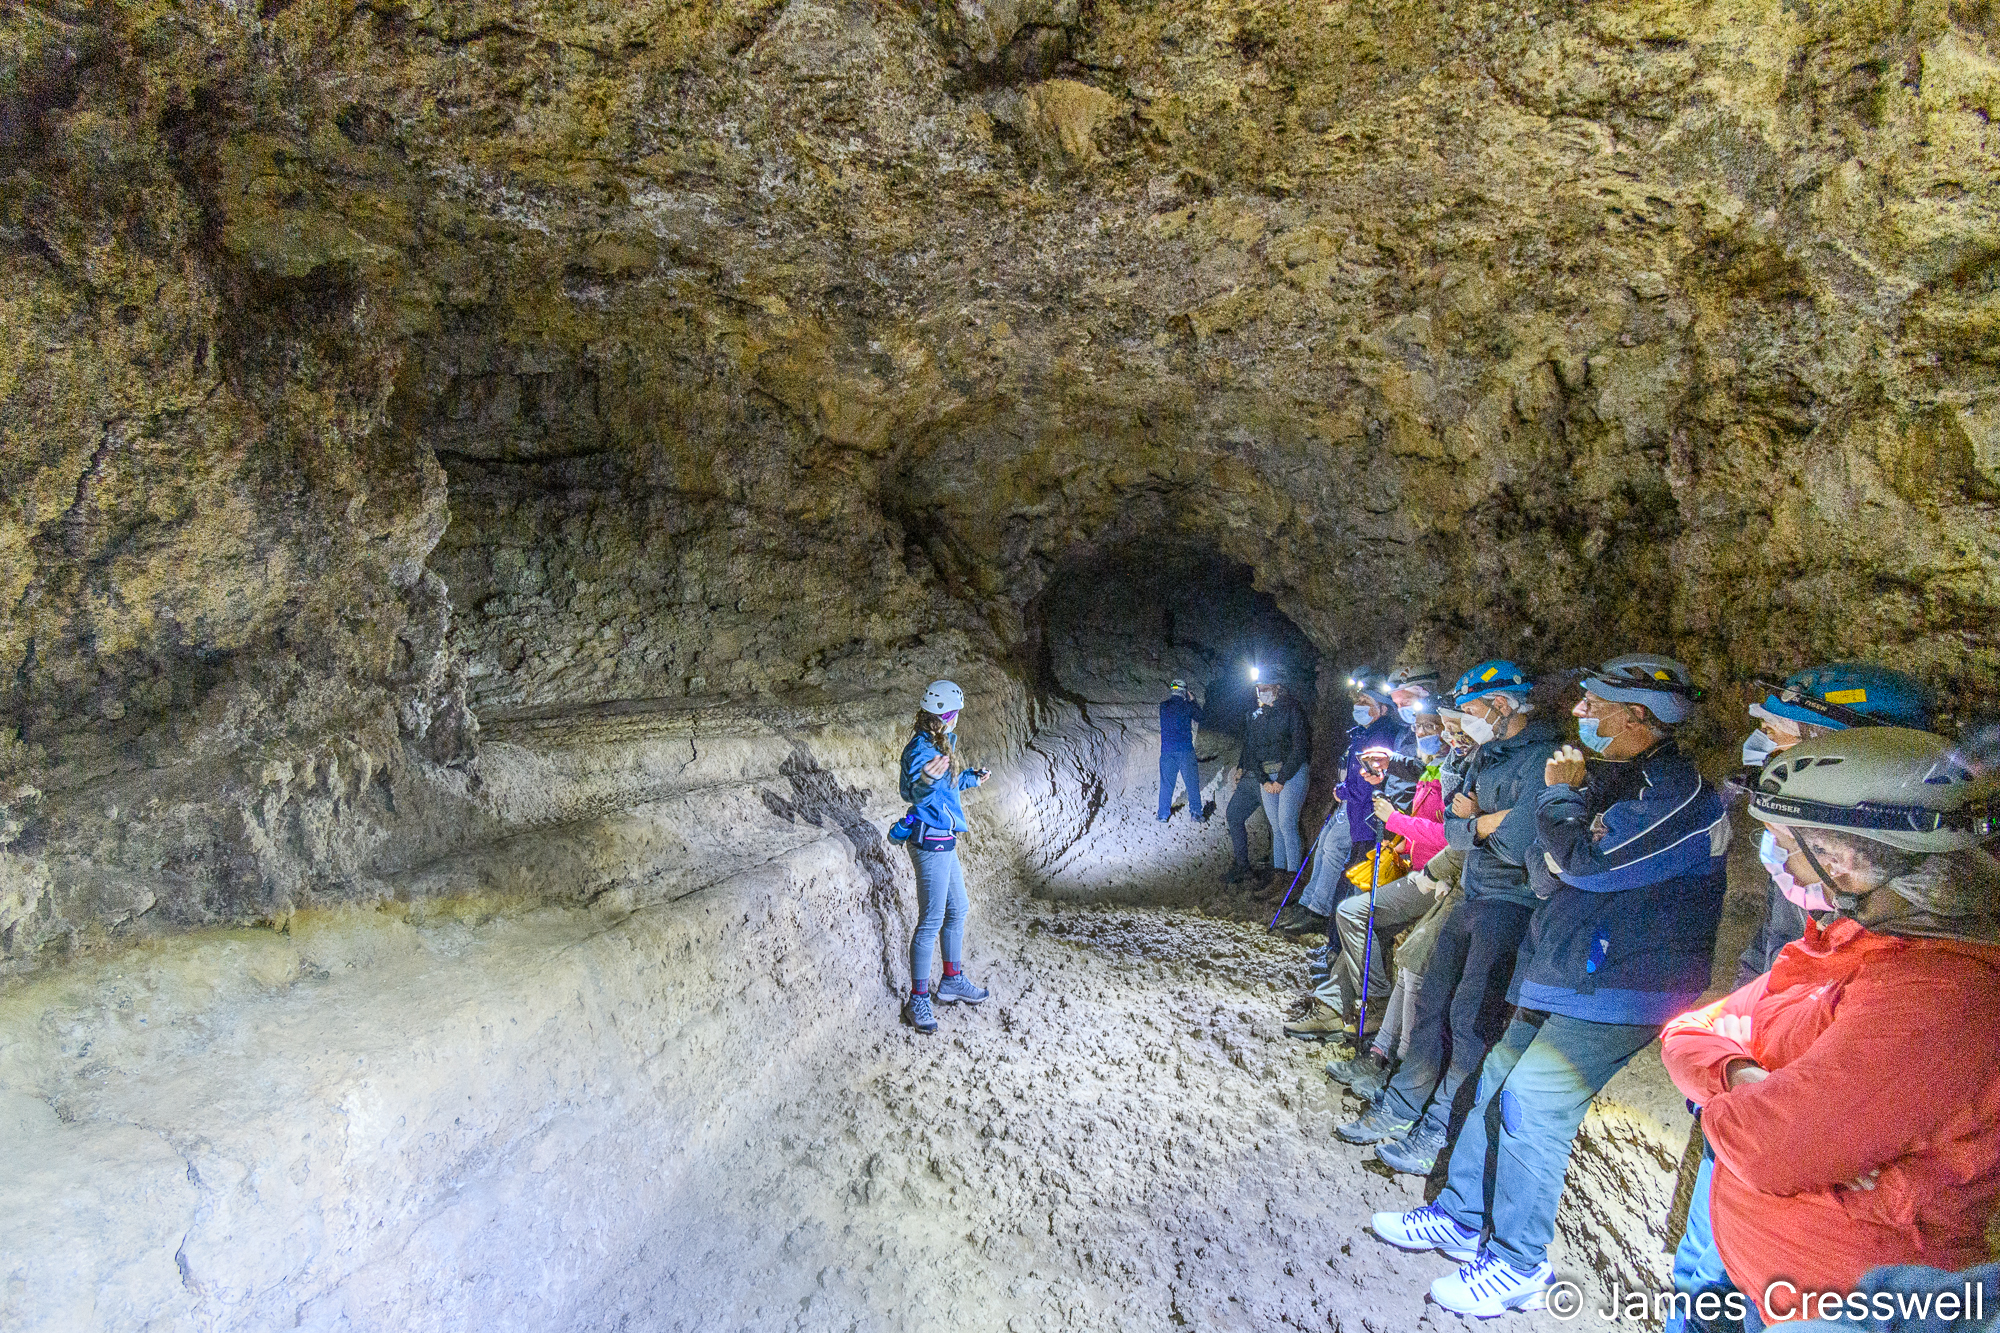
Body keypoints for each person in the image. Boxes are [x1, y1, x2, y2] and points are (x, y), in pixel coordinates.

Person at [1371, 655, 1730, 1317]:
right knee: (1495, 1077)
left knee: (1533, 1102)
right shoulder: (1613, 779)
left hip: (1624, 984)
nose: (1580, 713)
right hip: (1566, 967)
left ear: (1638, 716)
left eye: (1595, 705)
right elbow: (1544, 869)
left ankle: (1516, 1262)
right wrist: (1555, 830)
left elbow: (1578, 860)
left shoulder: (1672, 791)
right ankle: (1460, 1214)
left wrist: (1560, 802)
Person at [1659, 727, 2000, 1333]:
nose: (1780, 860)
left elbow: (1769, 1147)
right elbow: (1688, 1031)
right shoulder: (1852, 943)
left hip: (1836, 1303)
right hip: (1766, 1285)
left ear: (1846, 856)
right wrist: (1745, 1075)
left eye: (1788, 842)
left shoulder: (1937, 994)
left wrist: (1721, 1105)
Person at [1337, 659, 1559, 1177]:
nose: (1465, 720)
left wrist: (1476, 823)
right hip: (1471, 891)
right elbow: (1457, 835)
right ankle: (1400, 1107)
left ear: (1502, 706)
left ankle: (1439, 1128)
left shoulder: (1541, 758)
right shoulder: (1488, 753)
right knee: (1434, 1003)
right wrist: (1481, 824)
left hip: (1513, 903)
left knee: (1469, 1019)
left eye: (1473, 710)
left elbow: (1522, 840)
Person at [1733, 663, 1934, 982]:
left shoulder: (1907, 886)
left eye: (1773, 734)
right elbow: (1766, 951)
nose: (1761, 748)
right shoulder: (1795, 838)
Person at [1288, 727, 1445, 1042]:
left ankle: (1373, 1000)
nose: (1423, 732)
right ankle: (1333, 1008)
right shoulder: (1434, 766)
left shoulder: (1455, 771)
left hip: (1436, 877)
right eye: (1420, 726)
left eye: (1433, 727)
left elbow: (1448, 834)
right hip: (1413, 864)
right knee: (1359, 926)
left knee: (1353, 915)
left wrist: (1395, 821)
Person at [1281, 667, 1416, 933]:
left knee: (1332, 850)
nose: (1359, 706)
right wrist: (1343, 789)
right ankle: (1308, 903)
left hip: (1362, 809)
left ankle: (1317, 909)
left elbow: (1371, 781)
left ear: (1384, 709)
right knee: (1323, 848)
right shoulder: (1362, 732)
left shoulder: (1382, 735)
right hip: (1348, 804)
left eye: (1366, 702)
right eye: (1358, 701)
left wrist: (1345, 792)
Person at [892, 679, 993, 1034]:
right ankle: (917, 999)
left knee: (958, 909)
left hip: (945, 839)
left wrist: (968, 778)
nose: (957, 720)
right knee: (931, 919)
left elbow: (943, 788)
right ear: (948, 714)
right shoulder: (920, 749)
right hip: (929, 842)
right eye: (957, 714)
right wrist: (923, 780)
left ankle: (951, 981)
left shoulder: (940, 742)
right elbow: (913, 791)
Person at [1224, 673, 1311, 885]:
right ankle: (1279, 878)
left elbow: (1299, 748)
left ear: (1277, 688)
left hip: (1290, 773)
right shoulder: (1257, 716)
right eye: (1258, 688)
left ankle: (1292, 881)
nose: (1260, 692)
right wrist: (1264, 780)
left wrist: (1281, 779)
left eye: (1264, 688)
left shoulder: (1292, 710)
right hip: (1267, 776)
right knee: (1276, 826)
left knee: (1287, 824)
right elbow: (1252, 749)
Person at [1157, 679, 1206, 823]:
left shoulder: (1163, 706)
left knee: (1166, 783)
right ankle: (1196, 813)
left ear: (1173, 690)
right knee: (1192, 783)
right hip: (1185, 750)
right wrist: (1193, 701)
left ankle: (1162, 815)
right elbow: (1201, 717)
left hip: (1167, 751)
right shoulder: (1187, 706)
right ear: (1184, 692)